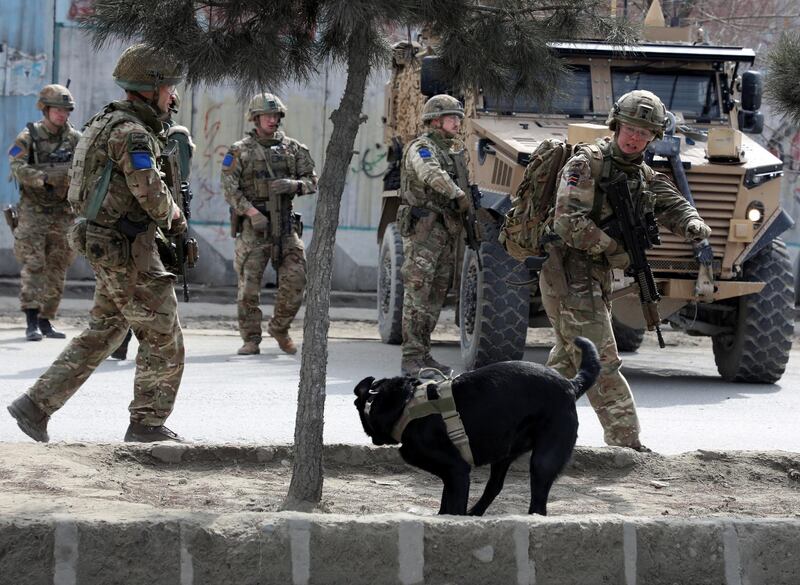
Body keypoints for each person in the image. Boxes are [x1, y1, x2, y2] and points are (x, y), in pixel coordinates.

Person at [6, 44, 188, 443]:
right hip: (126, 249)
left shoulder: (104, 121)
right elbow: (150, 192)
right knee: (163, 335)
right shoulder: (133, 134)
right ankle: (147, 423)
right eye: (169, 88)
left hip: (106, 243)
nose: (173, 96)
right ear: (149, 88)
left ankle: (35, 406)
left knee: (104, 331)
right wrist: (175, 218)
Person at [539, 89, 712, 451]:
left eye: (645, 132)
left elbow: (670, 201)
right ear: (616, 125)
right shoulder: (586, 164)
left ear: (654, 137)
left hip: (593, 276)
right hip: (568, 273)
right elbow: (567, 222)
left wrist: (693, 223)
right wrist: (616, 249)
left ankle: (516, 432)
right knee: (601, 361)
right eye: (631, 128)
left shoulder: (640, 172)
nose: (635, 137)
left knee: (564, 367)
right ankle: (626, 443)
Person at [221, 93, 317, 356]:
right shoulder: (239, 150)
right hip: (254, 227)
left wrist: (294, 185)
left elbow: (311, 180)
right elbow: (229, 189)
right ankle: (251, 338)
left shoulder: (293, 148)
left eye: (276, 116)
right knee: (249, 286)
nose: (273, 120)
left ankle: (279, 328)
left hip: (285, 223)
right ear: (255, 118)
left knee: (296, 279)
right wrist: (252, 213)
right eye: (268, 116)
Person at [397, 94, 472, 378]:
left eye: (458, 117)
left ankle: (423, 352)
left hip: (443, 231)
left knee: (436, 294)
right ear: (435, 120)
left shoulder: (453, 150)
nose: (458, 122)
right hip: (423, 231)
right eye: (452, 117)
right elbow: (429, 173)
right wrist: (456, 194)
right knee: (418, 292)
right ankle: (411, 358)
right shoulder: (423, 147)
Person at [7, 84, 81, 341]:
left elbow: (86, 168)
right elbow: (15, 165)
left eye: (67, 110)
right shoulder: (28, 136)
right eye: (58, 110)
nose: (63, 115)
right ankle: (31, 321)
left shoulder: (75, 139)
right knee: (34, 264)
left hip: (63, 212)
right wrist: (43, 178)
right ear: (46, 109)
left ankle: (46, 319)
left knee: (58, 265)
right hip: (34, 212)